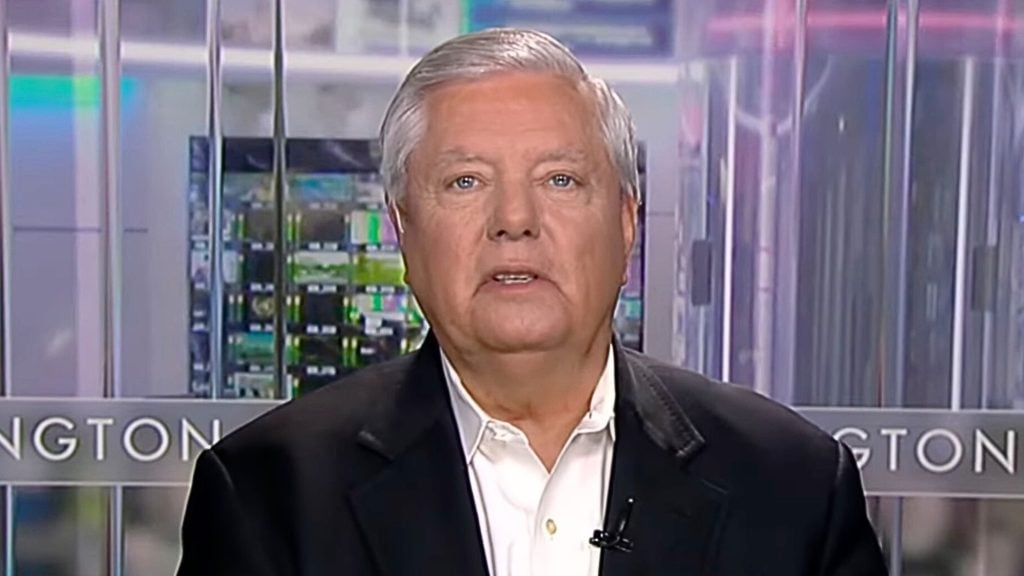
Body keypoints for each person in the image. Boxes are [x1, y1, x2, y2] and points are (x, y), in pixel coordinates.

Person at [177, 28, 888, 576]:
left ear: (626, 222)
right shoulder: (267, 495)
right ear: (402, 230)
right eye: (464, 182)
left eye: (560, 180)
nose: (513, 218)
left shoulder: (791, 485)